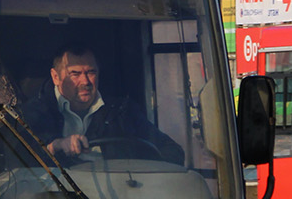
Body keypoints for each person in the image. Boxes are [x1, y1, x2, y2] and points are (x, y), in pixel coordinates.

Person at [20, 46, 184, 164]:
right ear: (55, 77)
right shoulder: (33, 112)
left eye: (91, 72)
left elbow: (172, 151)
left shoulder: (122, 112)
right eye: (75, 74)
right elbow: (20, 160)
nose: (85, 81)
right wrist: (57, 145)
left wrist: (146, 175)